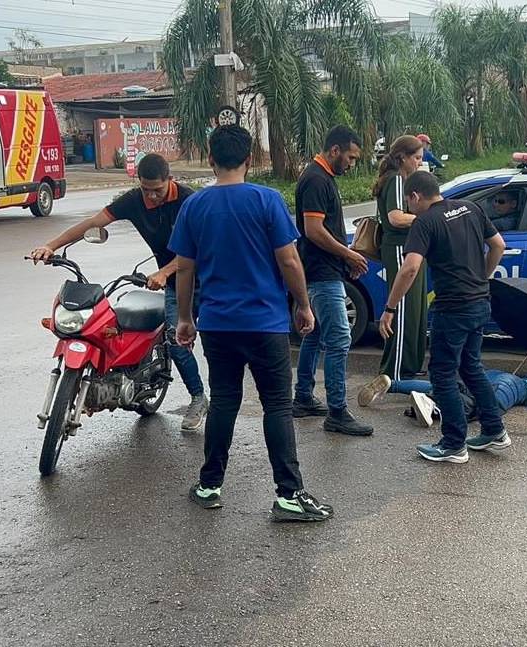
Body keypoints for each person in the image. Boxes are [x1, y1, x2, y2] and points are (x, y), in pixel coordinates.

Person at [168, 125, 332, 522]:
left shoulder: (195, 206)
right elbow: (289, 260)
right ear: (251, 159)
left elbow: (184, 271)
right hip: (266, 323)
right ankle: (289, 495)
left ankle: (209, 486)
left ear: (210, 159)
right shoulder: (266, 200)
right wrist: (304, 306)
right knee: (277, 404)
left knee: (224, 400)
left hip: (218, 324)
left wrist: (186, 318)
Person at [29, 153, 209, 431]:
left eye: (157, 190)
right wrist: (51, 245)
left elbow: (198, 250)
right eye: (145, 189)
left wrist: (164, 271)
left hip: (208, 281)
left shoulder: (190, 201)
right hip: (176, 286)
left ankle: (226, 402)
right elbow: (93, 224)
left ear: (169, 180)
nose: (151, 197)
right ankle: (198, 397)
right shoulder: (135, 201)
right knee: (177, 342)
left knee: (219, 345)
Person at [380, 171, 509, 464]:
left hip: (453, 309)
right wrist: (482, 278)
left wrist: (389, 308)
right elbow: (499, 245)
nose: (408, 208)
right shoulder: (472, 208)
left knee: (442, 374)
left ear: (415, 196)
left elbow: (410, 268)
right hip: (479, 302)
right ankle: (494, 430)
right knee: (471, 368)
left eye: (408, 202)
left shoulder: (425, 222)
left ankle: (453, 444)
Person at [292, 125, 374, 437]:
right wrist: (348, 255)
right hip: (321, 273)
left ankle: (303, 397)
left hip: (325, 269)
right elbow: (313, 231)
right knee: (339, 340)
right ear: (335, 150)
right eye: (351, 157)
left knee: (315, 336)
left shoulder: (322, 177)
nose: (352, 163)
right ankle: (337, 411)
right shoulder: (315, 179)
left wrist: (345, 257)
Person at [357, 135, 429, 408]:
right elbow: (395, 217)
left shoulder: (398, 179)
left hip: (408, 248)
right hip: (400, 249)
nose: (419, 163)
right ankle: (394, 371)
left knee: (414, 311)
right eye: (417, 158)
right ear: (403, 158)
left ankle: (408, 367)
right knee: (401, 310)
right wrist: (426, 217)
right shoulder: (397, 179)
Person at [402, 369, 527, 428]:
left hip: (499, 377)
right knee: (486, 408)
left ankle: (391, 384)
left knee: (450, 387)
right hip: (515, 386)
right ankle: (433, 405)